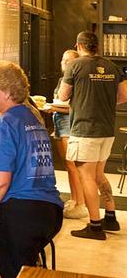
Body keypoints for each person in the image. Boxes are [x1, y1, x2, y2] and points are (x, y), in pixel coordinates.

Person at [0, 61, 63, 278]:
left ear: (6, 92)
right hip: (49, 211)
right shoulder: (33, 118)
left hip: (18, 213)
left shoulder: (5, 123)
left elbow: (0, 181)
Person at [57, 31, 127, 240]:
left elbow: (62, 95)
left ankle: (95, 225)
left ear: (79, 46)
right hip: (106, 129)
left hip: (85, 129)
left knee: (86, 176)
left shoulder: (75, 66)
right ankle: (111, 217)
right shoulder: (112, 67)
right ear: (97, 46)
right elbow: (124, 96)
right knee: (98, 174)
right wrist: (102, 101)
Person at [50, 49, 86, 219]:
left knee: (72, 165)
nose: (64, 63)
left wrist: (52, 107)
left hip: (69, 124)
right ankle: (73, 199)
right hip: (58, 122)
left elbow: (75, 107)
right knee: (67, 164)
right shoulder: (61, 80)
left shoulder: (78, 81)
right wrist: (53, 108)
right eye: (63, 60)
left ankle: (80, 203)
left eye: (68, 60)